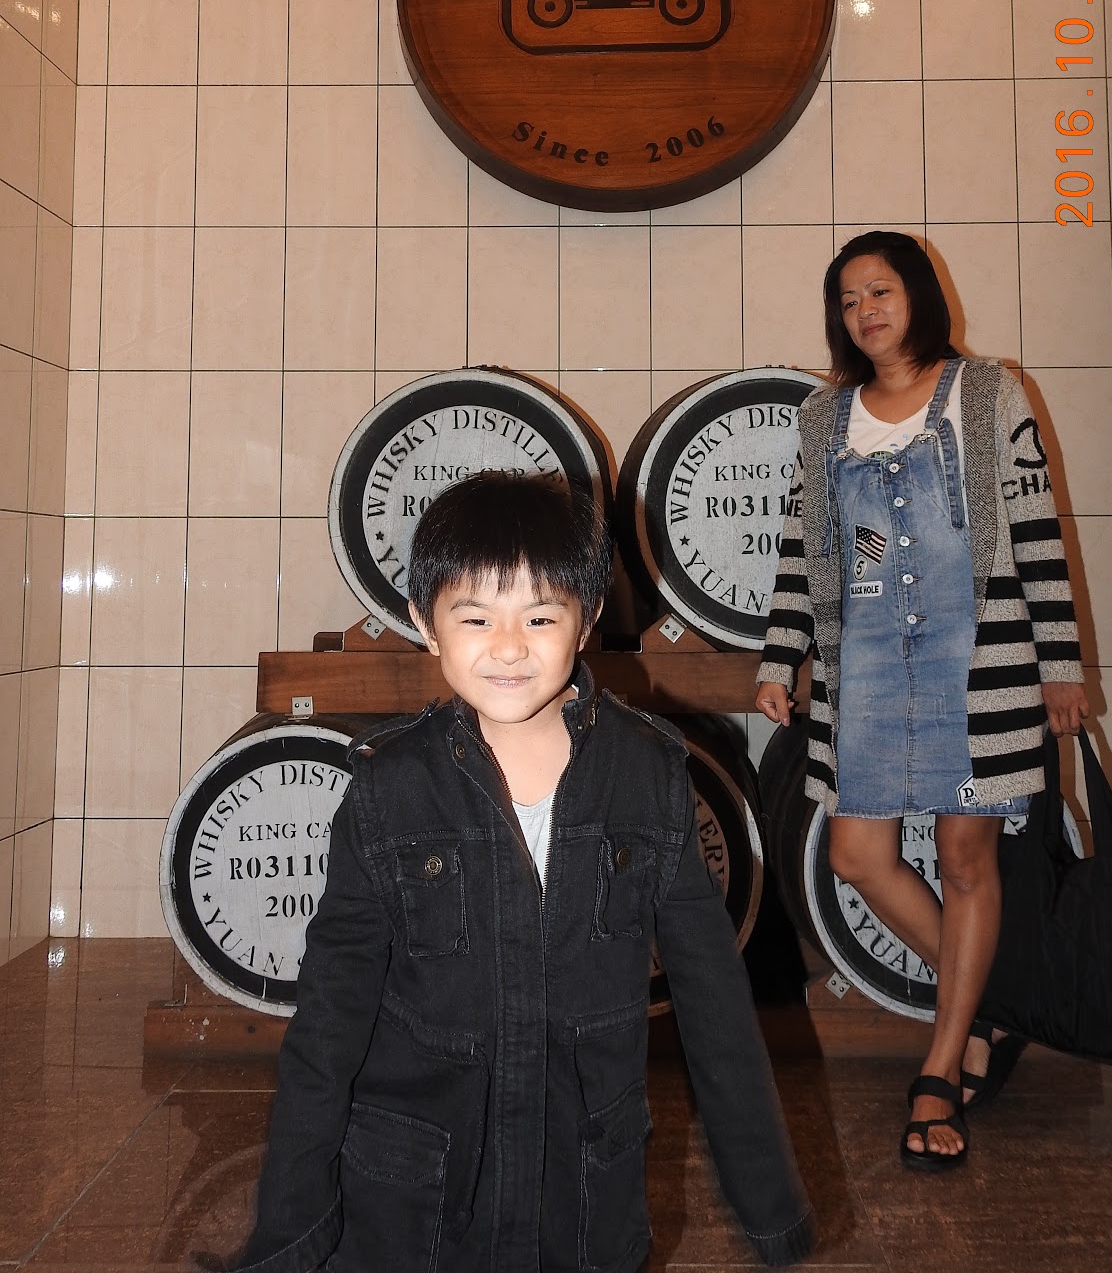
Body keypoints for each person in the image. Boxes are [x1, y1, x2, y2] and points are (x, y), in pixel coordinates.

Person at [234, 472, 816, 1272]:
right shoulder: (388, 789)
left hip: (581, 1191)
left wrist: (769, 1205)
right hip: (417, 1197)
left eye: (540, 616)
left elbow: (715, 1005)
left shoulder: (645, 776)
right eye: (475, 617)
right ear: (425, 623)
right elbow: (330, 1020)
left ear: (586, 619)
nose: (508, 647)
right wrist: (287, 1229)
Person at [755, 232, 1088, 1172]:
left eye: (881, 291)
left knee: (964, 857)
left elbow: (1035, 530)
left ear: (920, 297)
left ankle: (941, 1066)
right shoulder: (824, 415)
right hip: (862, 665)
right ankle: (985, 1003)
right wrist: (781, 659)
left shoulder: (988, 394)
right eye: (849, 299)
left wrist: (1059, 664)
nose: (865, 311)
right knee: (858, 854)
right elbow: (805, 549)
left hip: (978, 660)